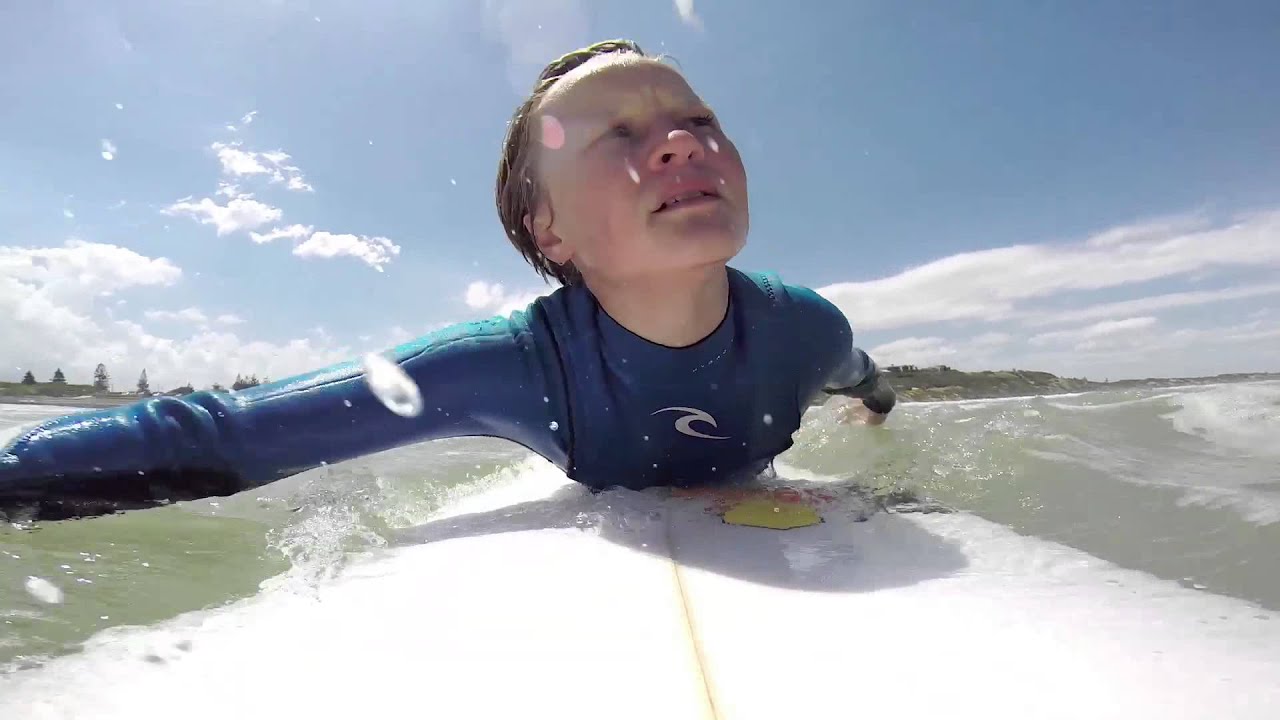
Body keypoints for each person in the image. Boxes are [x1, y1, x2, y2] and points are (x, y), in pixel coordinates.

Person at [0, 39, 895, 522]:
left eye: (696, 117)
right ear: (550, 231)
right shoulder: (507, 369)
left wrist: (874, 410)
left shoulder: (805, 328)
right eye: (616, 135)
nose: (681, 141)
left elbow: (866, 379)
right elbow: (225, 433)